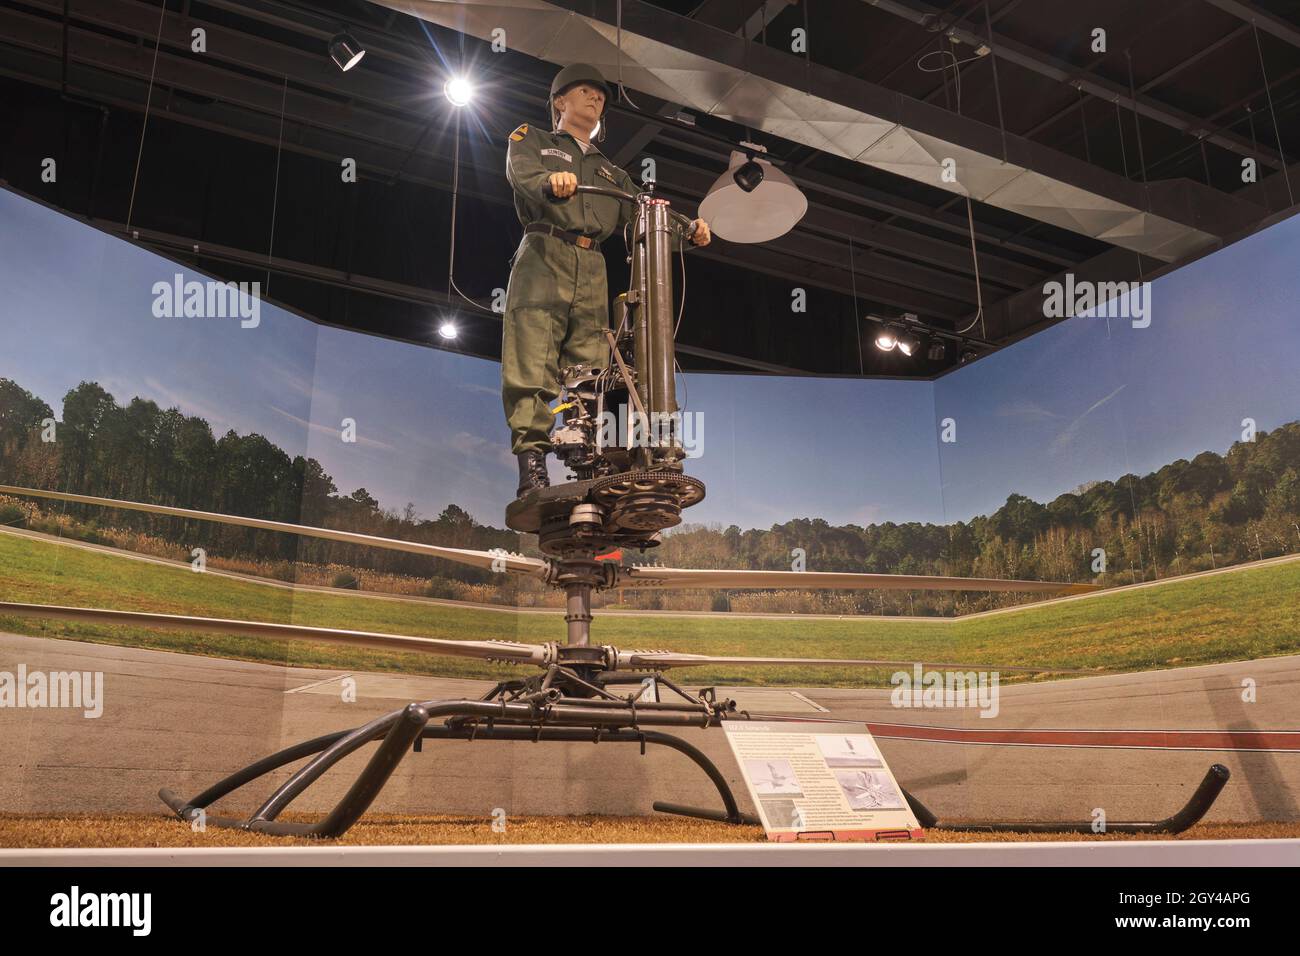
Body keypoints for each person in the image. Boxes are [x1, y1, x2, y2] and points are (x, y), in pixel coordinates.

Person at [502, 62, 711, 498]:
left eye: (600, 97)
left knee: (595, 371)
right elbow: (522, 174)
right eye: (585, 92)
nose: (596, 99)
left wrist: (688, 230)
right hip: (544, 253)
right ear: (560, 102)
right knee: (532, 363)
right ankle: (532, 467)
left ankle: (595, 467)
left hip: (592, 265)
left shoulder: (611, 172)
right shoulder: (533, 139)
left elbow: (645, 213)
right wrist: (549, 181)